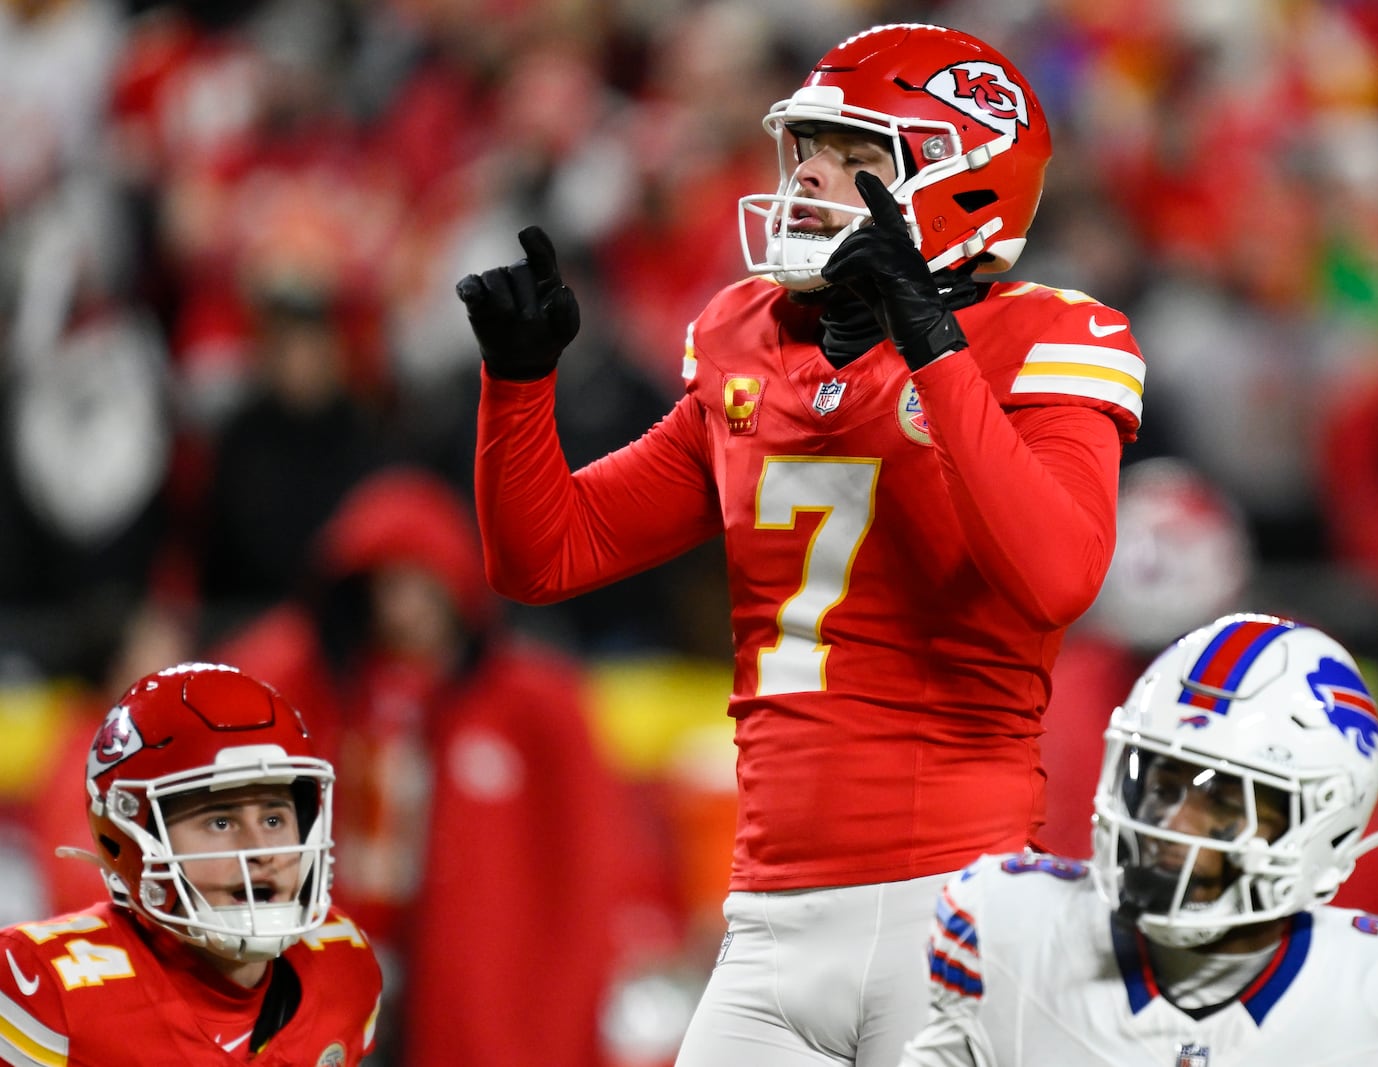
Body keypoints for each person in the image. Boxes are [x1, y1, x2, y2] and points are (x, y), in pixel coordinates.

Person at [458, 22, 1146, 1067]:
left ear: (965, 183)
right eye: (808, 150)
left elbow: (1057, 575)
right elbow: (546, 554)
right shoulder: (751, 338)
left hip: (955, 908)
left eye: (856, 155)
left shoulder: (1045, 336)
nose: (812, 177)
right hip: (768, 919)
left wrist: (931, 345)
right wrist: (518, 388)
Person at [212, 465, 655, 1066]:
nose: (402, 608)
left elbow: (599, 845)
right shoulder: (308, 679)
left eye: (420, 584)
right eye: (385, 585)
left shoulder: (533, 705)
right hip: (331, 954)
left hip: (465, 980)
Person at [896, 614, 1378, 1066]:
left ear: (1327, 823)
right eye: (1160, 782)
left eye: (1224, 801)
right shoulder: (1007, 925)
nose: (1172, 824)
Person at [0, 662, 383, 1065]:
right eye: (220, 821)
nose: (260, 850)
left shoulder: (342, 963)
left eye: (274, 819)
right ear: (128, 838)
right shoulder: (43, 985)